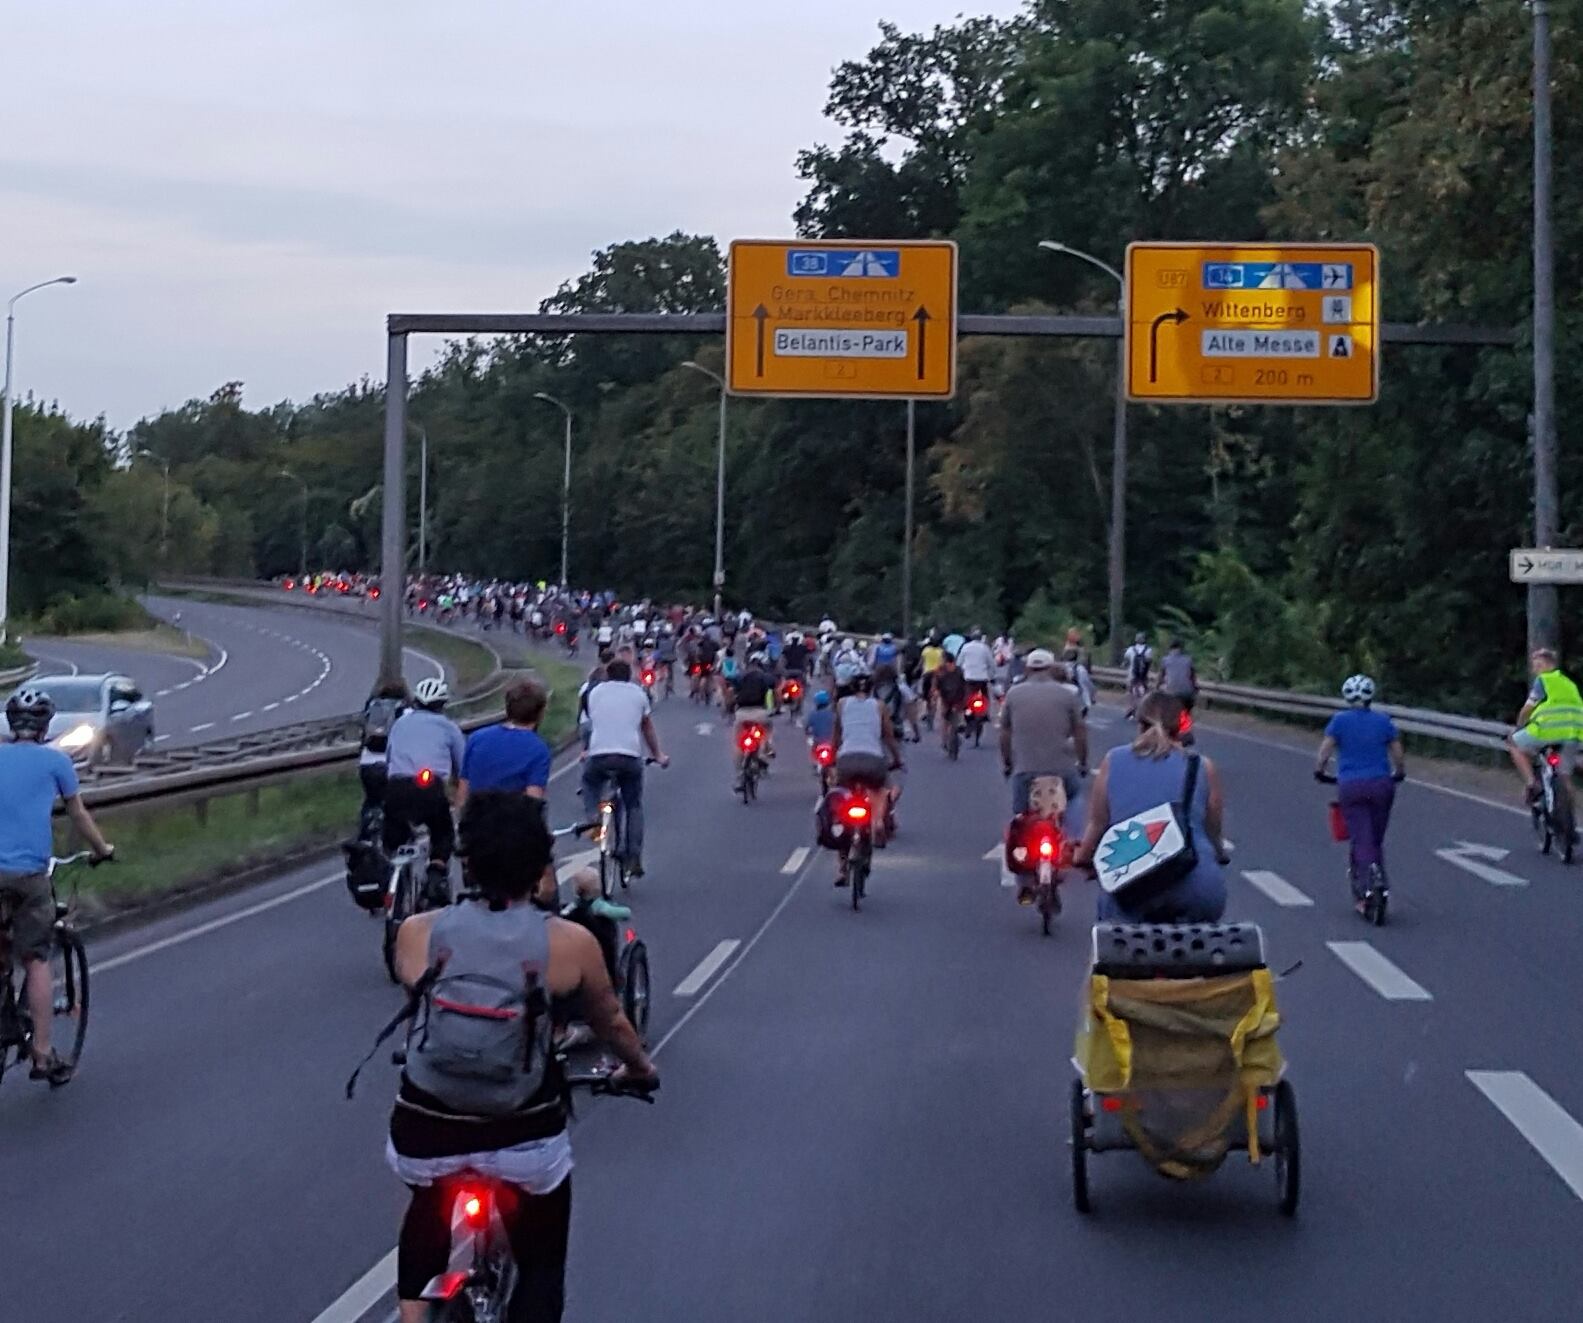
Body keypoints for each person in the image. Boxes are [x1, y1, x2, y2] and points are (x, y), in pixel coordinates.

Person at [388, 793, 656, 1323]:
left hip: (424, 1126)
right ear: (541, 869)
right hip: (523, 1133)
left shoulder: (418, 934)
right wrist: (641, 1070)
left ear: (467, 862)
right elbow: (612, 1023)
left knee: (425, 1203)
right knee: (541, 1257)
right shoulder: (572, 943)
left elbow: (421, 1009)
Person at [0, 688, 113, 1086]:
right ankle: (43, 1054)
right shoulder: (56, 761)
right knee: (35, 959)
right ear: (46, 725)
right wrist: (102, 849)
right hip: (29, 876)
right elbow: (78, 814)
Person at [1073, 693, 1227, 923]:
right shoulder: (1202, 766)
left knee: (1111, 948)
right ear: (1181, 725)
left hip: (1132, 886)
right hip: (1198, 886)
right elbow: (1213, 831)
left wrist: (1082, 857)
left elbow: (1098, 825)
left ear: (1139, 723)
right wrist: (1218, 855)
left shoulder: (1113, 760)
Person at [1315, 674, 1406, 913]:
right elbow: (1397, 753)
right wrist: (1399, 772)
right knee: (1376, 838)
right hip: (1381, 785)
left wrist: (1320, 771)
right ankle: (1380, 879)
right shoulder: (1384, 721)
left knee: (1360, 837)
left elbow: (1325, 751)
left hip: (1351, 786)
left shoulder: (1339, 721)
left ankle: (1366, 890)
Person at [580, 659, 668, 878]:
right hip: (629, 757)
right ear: (629, 675)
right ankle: (633, 857)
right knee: (634, 805)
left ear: (608, 675)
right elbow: (646, 726)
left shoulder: (595, 692)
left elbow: (595, 722)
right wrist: (658, 754)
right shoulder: (638, 694)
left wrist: (586, 749)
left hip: (599, 755)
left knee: (589, 782)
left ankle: (593, 817)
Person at [383, 677, 466, 900]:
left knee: (394, 835)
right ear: (442, 705)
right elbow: (462, 769)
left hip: (396, 787)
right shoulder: (450, 728)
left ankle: (393, 877)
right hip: (429, 786)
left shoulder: (399, 724)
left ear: (416, 703)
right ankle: (436, 873)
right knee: (442, 831)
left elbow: (388, 758)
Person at [830, 672, 904, 883]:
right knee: (881, 789)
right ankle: (877, 821)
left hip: (847, 760)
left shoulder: (842, 704)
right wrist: (897, 759)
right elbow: (888, 736)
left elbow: (836, 735)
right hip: (873, 760)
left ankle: (842, 868)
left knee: (841, 799)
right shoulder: (880, 706)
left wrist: (833, 761)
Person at [1000, 648, 1089, 815]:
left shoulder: (1013, 694)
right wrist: (1083, 763)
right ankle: (1075, 838)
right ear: (1052, 668)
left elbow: (1005, 733)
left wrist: (1008, 764)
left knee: (1020, 817)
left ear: (1027, 668)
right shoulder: (1067, 695)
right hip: (1062, 771)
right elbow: (1080, 733)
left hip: (1025, 771)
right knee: (1074, 801)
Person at [458, 679, 553, 810]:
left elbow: (463, 792)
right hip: (512, 825)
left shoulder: (476, 738)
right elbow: (533, 801)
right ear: (540, 713)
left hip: (475, 822)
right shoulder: (539, 749)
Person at [1509, 647, 1583, 803]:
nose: (1535, 669)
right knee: (1564, 776)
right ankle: (1570, 815)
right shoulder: (1569, 684)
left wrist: (1519, 726)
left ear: (1550, 665)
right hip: (1574, 734)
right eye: (1535, 665)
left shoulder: (1543, 680)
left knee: (1514, 744)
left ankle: (1532, 784)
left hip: (1549, 731)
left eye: (1539, 665)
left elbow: (1528, 708)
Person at [359, 678, 409, 827]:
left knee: (371, 800)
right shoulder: (407, 710)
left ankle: (365, 836)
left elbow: (363, 736)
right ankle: (401, 837)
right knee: (399, 801)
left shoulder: (372, 708)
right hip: (393, 765)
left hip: (367, 763)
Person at [727, 650, 777, 781]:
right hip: (760, 713)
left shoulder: (739, 676)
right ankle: (765, 749)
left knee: (738, 744)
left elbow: (731, 692)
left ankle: (739, 775)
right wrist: (777, 708)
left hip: (742, 713)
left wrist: (730, 708)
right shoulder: (766, 677)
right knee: (767, 730)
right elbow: (775, 692)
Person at [934, 650, 968, 749]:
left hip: (952, 698)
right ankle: (947, 739)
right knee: (949, 717)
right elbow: (936, 684)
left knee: (948, 718)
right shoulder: (954, 670)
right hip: (952, 698)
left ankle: (946, 739)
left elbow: (936, 685)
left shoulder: (944, 670)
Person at [956, 629, 996, 705]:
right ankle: (985, 713)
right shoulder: (985, 648)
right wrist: (991, 676)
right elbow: (992, 664)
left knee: (967, 698)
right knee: (985, 699)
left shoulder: (965, 647)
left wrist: (961, 674)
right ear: (981, 638)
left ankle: (968, 712)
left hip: (969, 679)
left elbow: (959, 663)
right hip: (982, 679)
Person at [1157, 639, 1198, 712]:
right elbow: (1193, 677)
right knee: (1188, 707)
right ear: (1181, 648)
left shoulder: (1165, 660)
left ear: (1170, 648)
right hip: (1186, 692)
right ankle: (1185, 718)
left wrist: (1157, 686)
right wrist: (1195, 688)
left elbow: (1160, 677)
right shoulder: (1188, 660)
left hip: (1170, 691)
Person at [1122, 632, 1153, 716]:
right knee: (1144, 692)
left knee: (1129, 691)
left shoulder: (1131, 649)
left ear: (1136, 639)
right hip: (1143, 676)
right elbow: (1149, 662)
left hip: (1132, 674)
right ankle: (1143, 709)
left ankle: (1130, 708)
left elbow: (1126, 661)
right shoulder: (1149, 650)